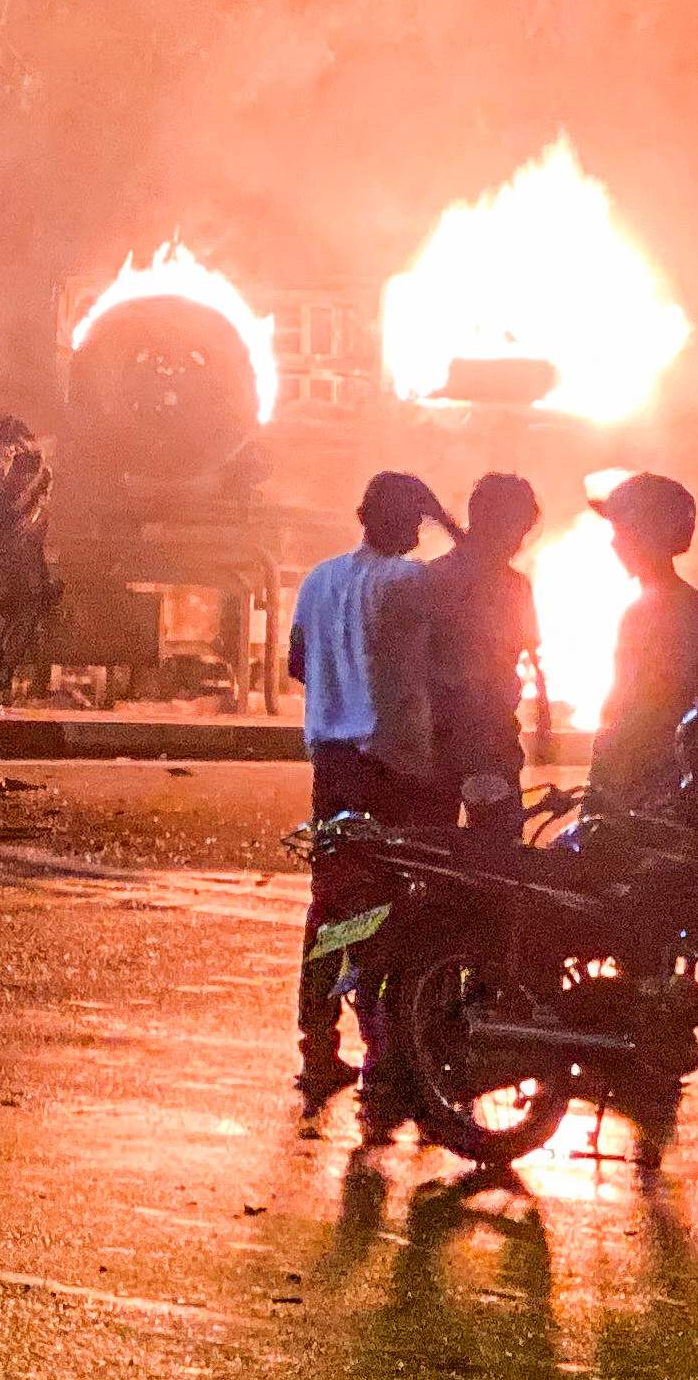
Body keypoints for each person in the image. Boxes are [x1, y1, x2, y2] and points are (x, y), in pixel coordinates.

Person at [289, 470, 457, 1109]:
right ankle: (385, 1057)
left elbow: (300, 665)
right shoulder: (413, 583)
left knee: (331, 909)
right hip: (392, 770)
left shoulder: (319, 578)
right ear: (403, 521)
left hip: (331, 766)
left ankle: (317, 1047)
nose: (420, 533)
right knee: (392, 911)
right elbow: (446, 660)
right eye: (417, 520)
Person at [415, 472, 546, 841]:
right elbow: (524, 652)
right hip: (486, 741)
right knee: (497, 850)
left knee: (431, 847)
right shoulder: (512, 586)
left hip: (436, 741)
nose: (519, 543)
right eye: (518, 530)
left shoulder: (433, 577)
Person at [582, 472, 698, 816]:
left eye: (621, 531)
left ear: (648, 534)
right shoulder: (685, 605)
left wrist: (605, 779)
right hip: (659, 780)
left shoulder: (661, 610)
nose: (614, 543)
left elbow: (638, 705)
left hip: (646, 784)